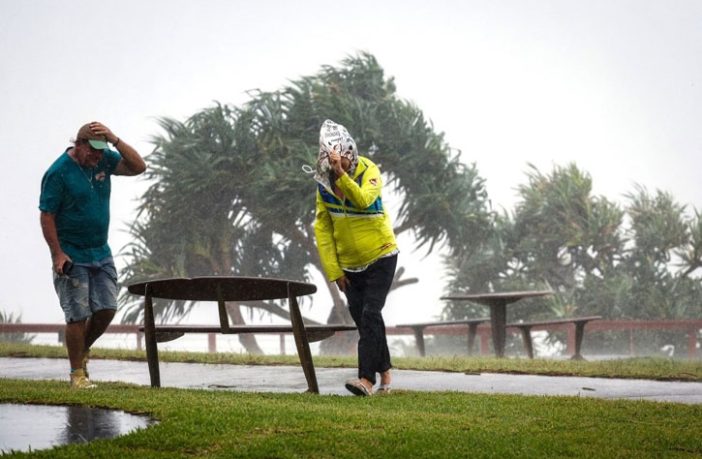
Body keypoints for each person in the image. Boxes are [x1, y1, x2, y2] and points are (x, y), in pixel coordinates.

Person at [39, 122, 146, 389]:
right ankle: (77, 374)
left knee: (107, 309)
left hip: (101, 251)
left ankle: (82, 349)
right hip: (72, 254)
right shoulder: (58, 173)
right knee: (77, 315)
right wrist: (57, 254)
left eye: (101, 150)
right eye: (93, 150)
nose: (97, 155)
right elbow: (47, 215)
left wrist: (114, 139)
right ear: (79, 144)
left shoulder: (105, 160)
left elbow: (139, 167)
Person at [313, 119, 398, 396]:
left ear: (351, 152)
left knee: (371, 313)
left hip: (381, 256)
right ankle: (386, 373)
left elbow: (362, 200)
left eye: (341, 160)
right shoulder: (324, 185)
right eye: (331, 162)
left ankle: (366, 380)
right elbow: (323, 230)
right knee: (366, 321)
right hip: (349, 267)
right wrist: (335, 271)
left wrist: (343, 176)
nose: (336, 166)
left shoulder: (369, 170)